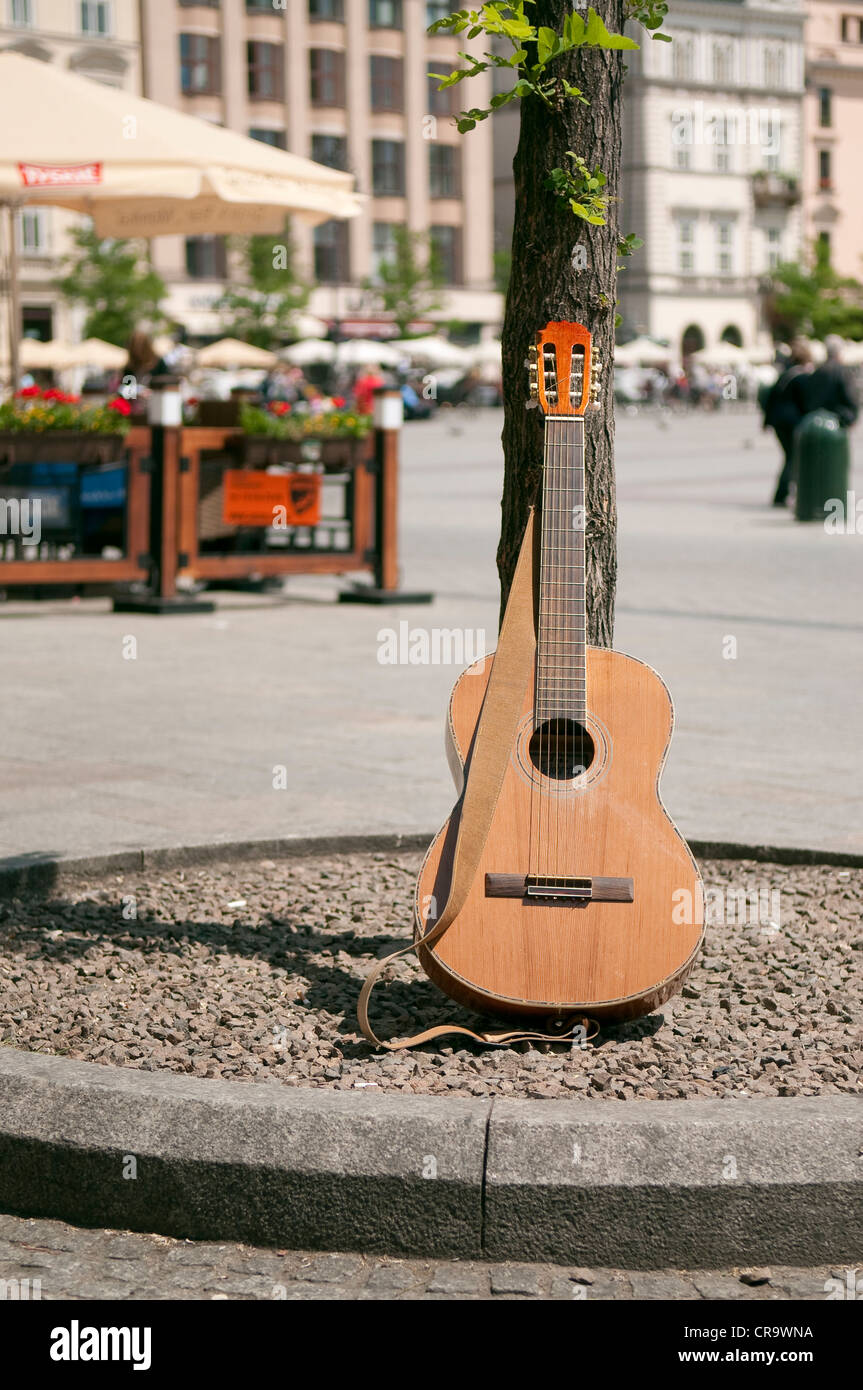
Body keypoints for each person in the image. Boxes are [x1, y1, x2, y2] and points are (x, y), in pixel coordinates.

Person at [763, 339, 812, 506]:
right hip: (791, 422)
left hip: (778, 422)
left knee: (789, 456)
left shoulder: (786, 373)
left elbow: (770, 398)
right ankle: (781, 494)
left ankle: (782, 493)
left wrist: (766, 421)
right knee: (792, 457)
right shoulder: (802, 377)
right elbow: (806, 402)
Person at [791, 334, 859, 428]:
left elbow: (809, 398)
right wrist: (852, 417)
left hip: (817, 421)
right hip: (838, 422)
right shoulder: (843, 371)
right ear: (839, 351)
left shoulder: (818, 371)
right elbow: (851, 396)